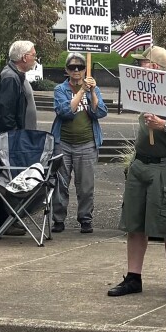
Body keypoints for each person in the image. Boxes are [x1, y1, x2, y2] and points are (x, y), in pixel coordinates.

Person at [107, 46, 166, 299]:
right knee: (134, 223)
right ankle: (133, 277)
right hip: (141, 164)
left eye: (143, 63)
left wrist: (164, 125)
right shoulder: (145, 91)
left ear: (155, 67)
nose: (139, 67)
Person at [50, 52, 108, 234]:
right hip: (63, 143)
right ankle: (58, 219)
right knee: (60, 184)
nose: (76, 70)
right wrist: (82, 90)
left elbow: (100, 112)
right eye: (72, 67)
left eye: (80, 67)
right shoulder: (60, 90)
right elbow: (65, 111)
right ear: (66, 70)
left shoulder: (93, 89)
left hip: (87, 143)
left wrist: (92, 92)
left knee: (86, 185)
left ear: (85, 70)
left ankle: (85, 219)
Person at [0, 40, 38, 146]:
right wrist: (17, 136)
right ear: (24, 57)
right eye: (33, 55)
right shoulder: (10, 77)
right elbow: (5, 113)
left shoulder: (17, 75)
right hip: (12, 141)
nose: (35, 58)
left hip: (18, 138)